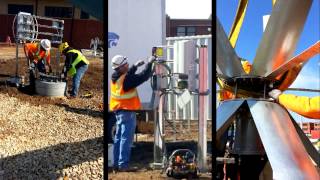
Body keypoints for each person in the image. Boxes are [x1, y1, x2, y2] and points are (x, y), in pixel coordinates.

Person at [110, 54, 155, 172]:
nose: (127, 64)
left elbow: (128, 75)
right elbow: (143, 77)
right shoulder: (126, 81)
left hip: (119, 111)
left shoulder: (115, 76)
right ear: (120, 67)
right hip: (127, 112)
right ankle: (123, 165)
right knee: (126, 139)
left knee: (118, 139)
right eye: (126, 64)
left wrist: (135, 66)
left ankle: (116, 164)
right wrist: (149, 64)